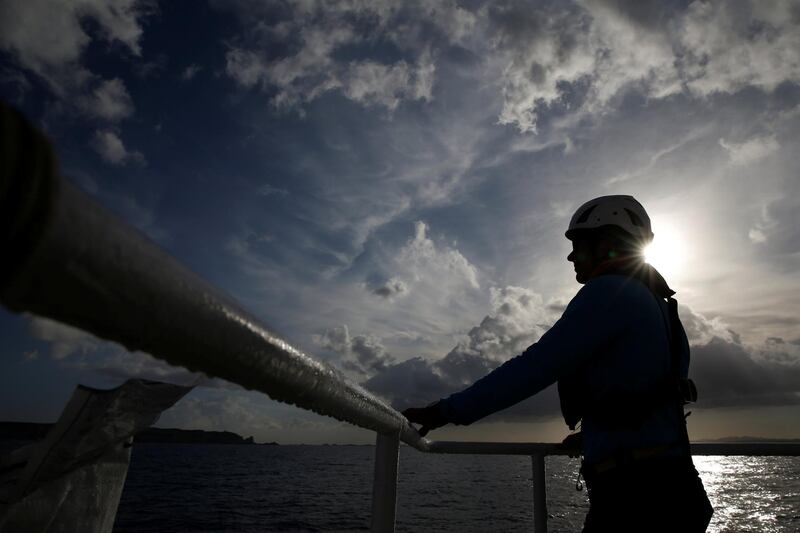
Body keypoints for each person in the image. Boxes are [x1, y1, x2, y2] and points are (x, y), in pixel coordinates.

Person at [403, 195, 713, 532]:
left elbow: (534, 367)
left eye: (578, 245)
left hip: (637, 499)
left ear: (607, 243)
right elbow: (650, 396)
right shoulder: (660, 305)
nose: (570, 256)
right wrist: (594, 437)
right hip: (676, 487)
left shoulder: (610, 292)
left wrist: (445, 411)